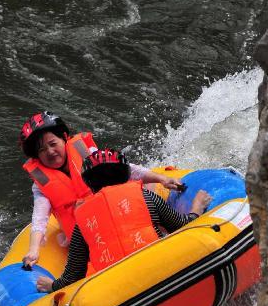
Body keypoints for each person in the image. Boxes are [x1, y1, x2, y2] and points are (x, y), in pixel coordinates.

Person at [19, 112, 185, 268]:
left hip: (120, 216)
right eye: (42, 150)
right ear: (37, 156)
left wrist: (161, 179)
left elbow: (126, 169)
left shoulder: (86, 154)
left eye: (53, 144)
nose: (50, 151)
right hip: (90, 236)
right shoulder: (40, 185)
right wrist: (33, 250)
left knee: (147, 193)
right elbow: (39, 218)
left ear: (64, 138)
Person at [35, 148, 212, 293]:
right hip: (163, 273)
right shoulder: (145, 196)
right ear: (126, 175)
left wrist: (52, 286)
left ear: (90, 184)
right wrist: (196, 207)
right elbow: (182, 226)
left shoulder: (81, 222)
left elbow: (72, 276)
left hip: (117, 293)